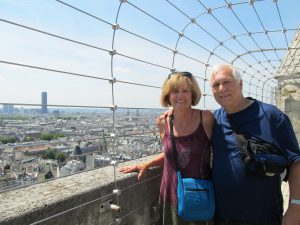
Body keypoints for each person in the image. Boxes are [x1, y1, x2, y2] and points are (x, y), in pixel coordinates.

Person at [209, 63, 300, 225]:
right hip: (222, 217)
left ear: (241, 84)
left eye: (227, 82)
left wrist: (295, 207)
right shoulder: (213, 120)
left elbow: (296, 162)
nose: (221, 88)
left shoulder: (272, 116)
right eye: (216, 85)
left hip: (265, 217)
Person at [120, 71, 215, 225]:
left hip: (200, 195)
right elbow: (174, 154)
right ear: (168, 96)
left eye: (186, 91)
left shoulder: (206, 118)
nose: (180, 96)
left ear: (193, 94)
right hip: (171, 195)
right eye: (175, 91)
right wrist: (147, 164)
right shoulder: (163, 122)